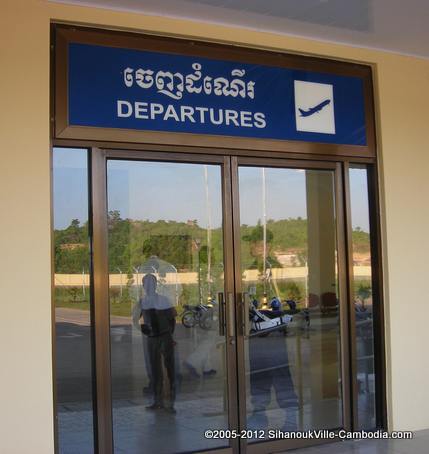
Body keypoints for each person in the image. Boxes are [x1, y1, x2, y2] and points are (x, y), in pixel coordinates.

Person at [135, 273, 177, 413]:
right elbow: (135, 319)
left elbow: (172, 319)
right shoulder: (142, 302)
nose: (149, 286)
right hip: (152, 339)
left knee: (169, 369)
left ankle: (170, 402)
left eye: (151, 283)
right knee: (155, 370)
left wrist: (170, 335)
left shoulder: (164, 300)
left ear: (156, 285)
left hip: (165, 337)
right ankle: (157, 401)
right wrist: (144, 329)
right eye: (146, 284)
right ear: (143, 286)